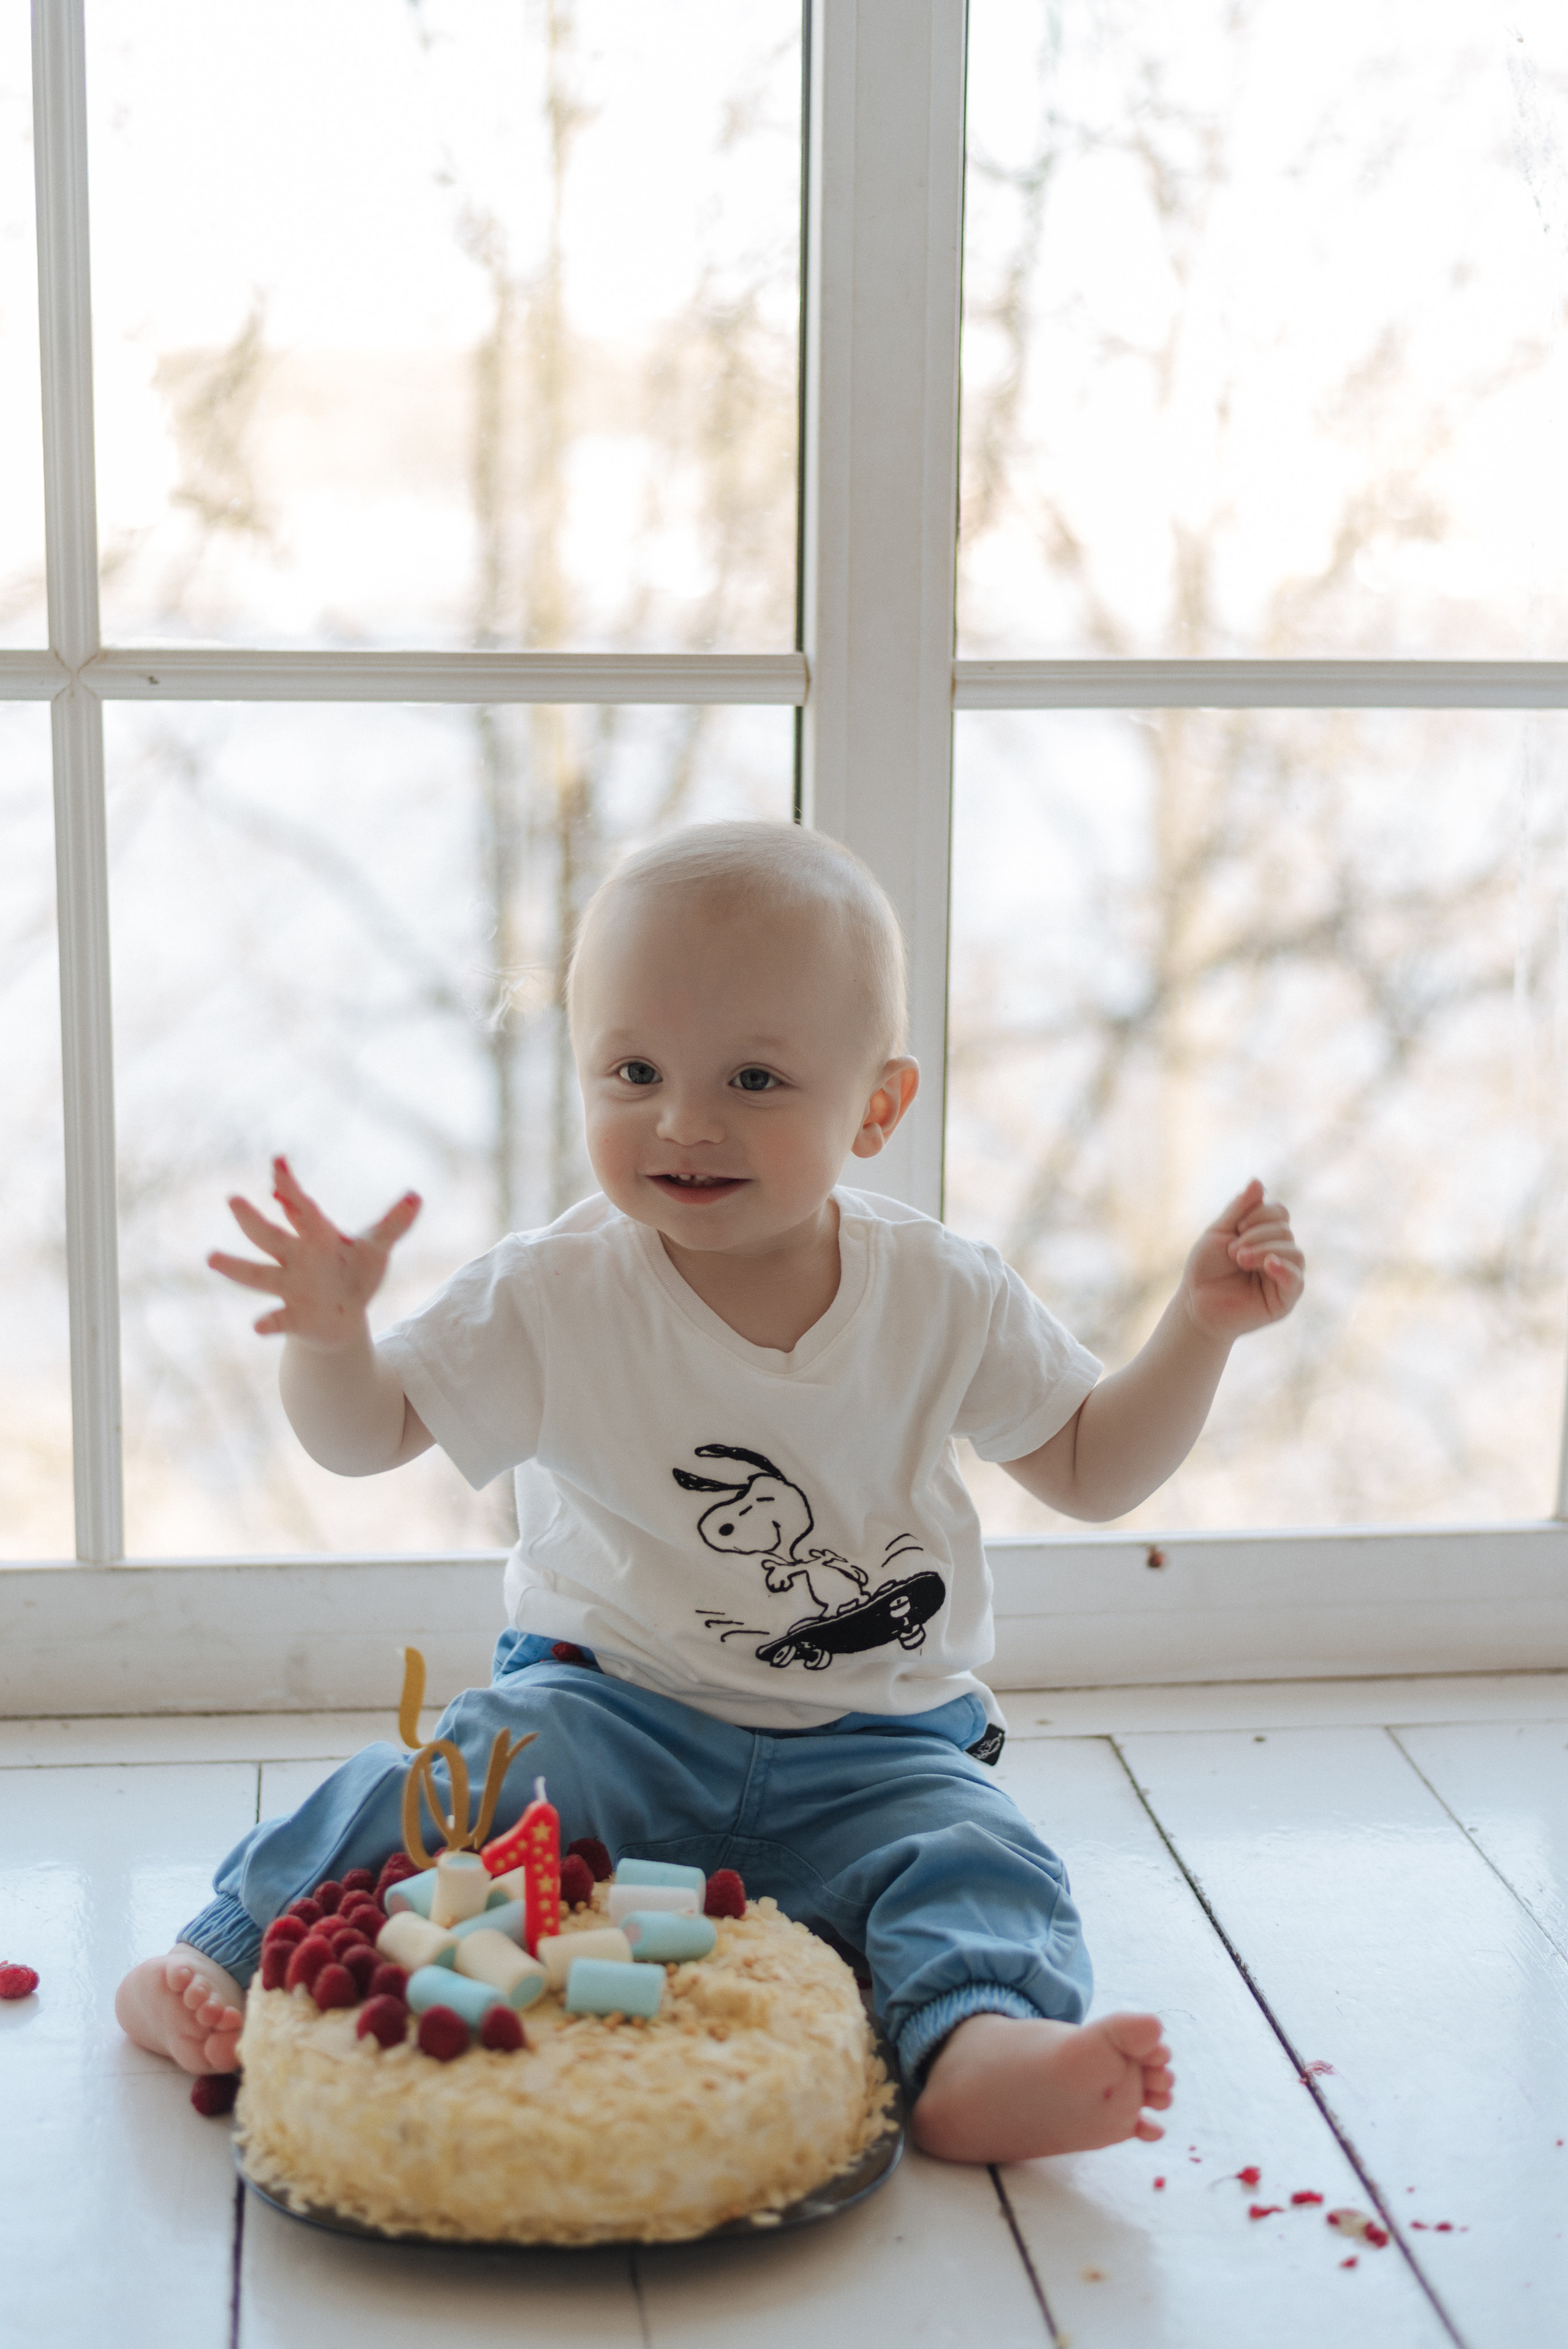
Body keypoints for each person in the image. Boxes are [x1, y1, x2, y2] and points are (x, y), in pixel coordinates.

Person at [116, 820, 1303, 2164]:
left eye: (751, 1078)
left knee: (977, 1858)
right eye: (632, 1071)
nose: (683, 1120)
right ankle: (218, 1957)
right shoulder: (550, 1290)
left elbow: (1092, 1466)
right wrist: (332, 1343)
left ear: (876, 1106)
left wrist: (1195, 1333)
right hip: (604, 1713)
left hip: (879, 1746)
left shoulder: (940, 1292)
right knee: (434, 1785)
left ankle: (975, 2046)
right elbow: (367, 1434)